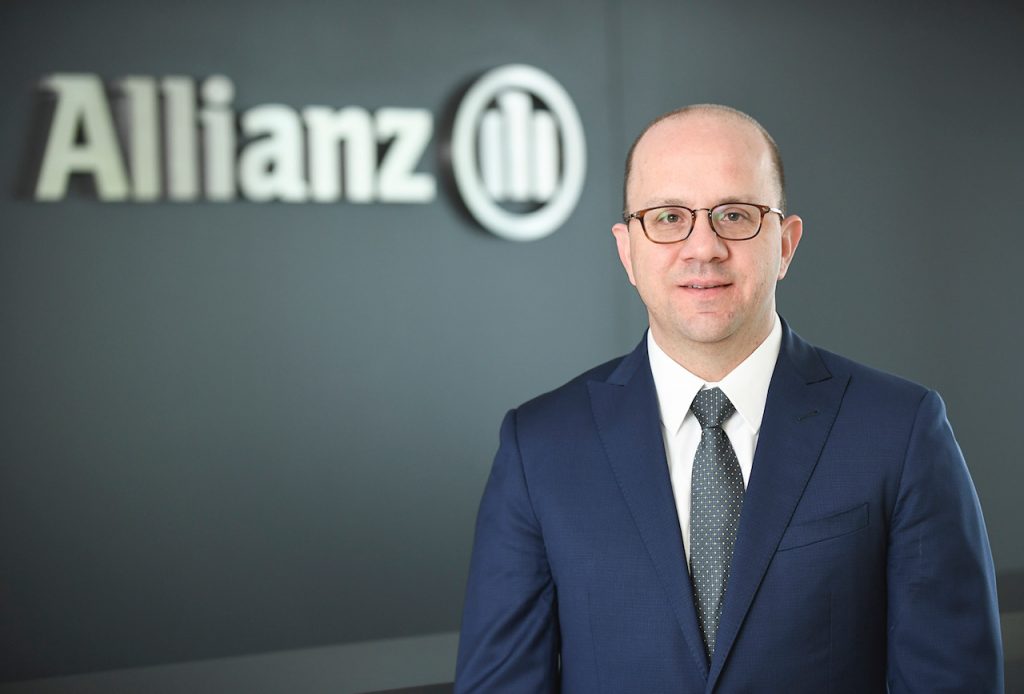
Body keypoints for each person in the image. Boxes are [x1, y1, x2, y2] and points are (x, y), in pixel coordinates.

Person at [454, 105, 1003, 692]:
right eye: (668, 217)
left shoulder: (900, 430)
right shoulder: (540, 446)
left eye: (734, 215)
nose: (703, 247)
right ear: (627, 251)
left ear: (785, 244)